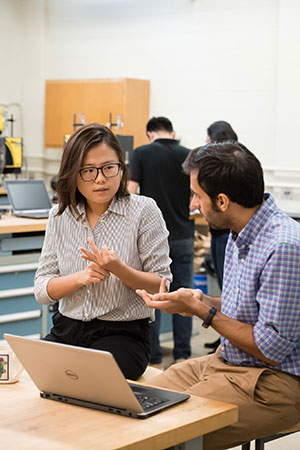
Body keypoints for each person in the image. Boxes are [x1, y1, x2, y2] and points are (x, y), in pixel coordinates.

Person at [136, 141, 300, 450]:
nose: (193, 204)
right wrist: (202, 301)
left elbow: (271, 347)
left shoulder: (283, 246)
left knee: (163, 433)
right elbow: (251, 309)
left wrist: (204, 313)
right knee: (133, 405)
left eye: (197, 195)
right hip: (226, 362)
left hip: (274, 383)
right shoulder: (239, 233)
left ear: (222, 201)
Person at [34, 123, 172, 381]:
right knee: (39, 377)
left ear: (121, 167)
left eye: (109, 168)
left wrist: (118, 269)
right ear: (72, 173)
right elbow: (42, 289)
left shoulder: (143, 211)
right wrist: (79, 278)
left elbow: (160, 286)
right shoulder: (60, 215)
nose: (100, 179)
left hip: (122, 336)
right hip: (66, 329)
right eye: (88, 170)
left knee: (88, 381)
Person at [128, 116, 194, 368]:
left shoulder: (141, 153)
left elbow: (130, 193)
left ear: (150, 134)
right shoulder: (189, 155)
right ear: (171, 132)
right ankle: (182, 355)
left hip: (152, 239)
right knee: (185, 295)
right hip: (183, 235)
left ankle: (153, 357)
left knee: (152, 296)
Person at [205, 120, 238, 352]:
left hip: (224, 233)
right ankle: (223, 336)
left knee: (228, 285)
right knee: (225, 285)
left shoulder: (226, 164)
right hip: (220, 233)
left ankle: (228, 335)